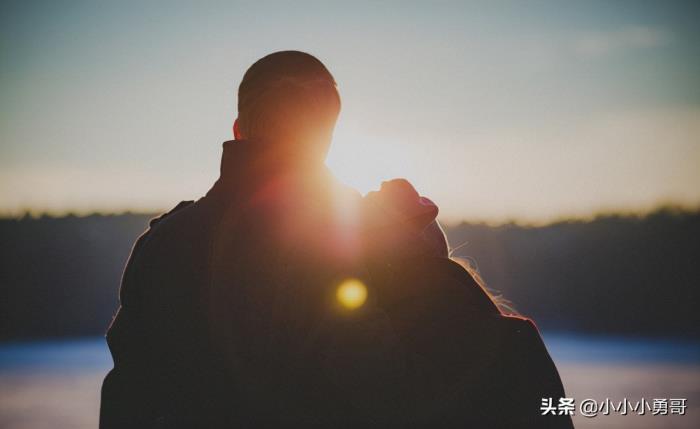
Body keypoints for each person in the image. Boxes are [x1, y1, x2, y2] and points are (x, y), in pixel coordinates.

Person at [100, 50, 572, 428]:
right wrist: (419, 257)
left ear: (239, 129)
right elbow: (390, 388)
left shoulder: (163, 245)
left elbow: (128, 398)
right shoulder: (360, 234)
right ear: (328, 130)